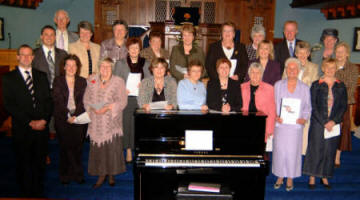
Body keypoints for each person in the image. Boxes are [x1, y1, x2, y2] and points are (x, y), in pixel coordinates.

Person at [2, 44, 53, 197]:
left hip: (41, 128)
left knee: (39, 163)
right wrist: (30, 122)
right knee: (23, 163)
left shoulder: (41, 75)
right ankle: (25, 193)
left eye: (29, 55)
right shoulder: (8, 78)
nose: (26, 57)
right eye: (22, 55)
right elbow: (9, 104)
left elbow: (48, 101)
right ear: (18, 57)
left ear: (33, 57)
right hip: (23, 128)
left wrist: (44, 119)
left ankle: (38, 191)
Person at [303, 58, 347, 189]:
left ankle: (325, 177)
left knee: (329, 150)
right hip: (318, 122)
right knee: (315, 149)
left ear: (335, 69)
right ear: (323, 68)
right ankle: (312, 176)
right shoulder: (316, 84)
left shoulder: (341, 85)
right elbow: (313, 106)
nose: (330, 70)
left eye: (332, 67)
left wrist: (334, 121)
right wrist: (324, 122)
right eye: (327, 67)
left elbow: (343, 106)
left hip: (334, 124)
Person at [83, 58, 128, 189]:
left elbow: (123, 101)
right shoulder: (92, 80)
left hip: (111, 121)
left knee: (112, 149)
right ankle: (101, 175)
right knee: (99, 150)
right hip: (96, 121)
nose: (105, 69)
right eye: (102, 66)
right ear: (99, 67)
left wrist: (108, 107)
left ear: (112, 68)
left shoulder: (118, 81)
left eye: (108, 66)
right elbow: (86, 99)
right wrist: (92, 108)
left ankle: (111, 175)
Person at [272, 58, 311, 191]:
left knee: (292, 152)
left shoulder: (305, 88)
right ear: (285, 70)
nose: (292, 70)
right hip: (281, 126)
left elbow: (308, 108)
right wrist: (275, 117)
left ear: (299, 70)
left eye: (295, 68)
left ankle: (290, 177)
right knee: (280, 151)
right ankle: (280, 176)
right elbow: (273, 105)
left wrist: (304, 119)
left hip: (295, 127)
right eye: (289, 68)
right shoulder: (278, 85)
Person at [113, 37, 151, 162]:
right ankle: (128, 150)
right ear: (127, 49)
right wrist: (122, 89)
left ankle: (137, 149)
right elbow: (115, 82)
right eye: (131, 48)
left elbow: (151, 81)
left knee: (137, 125)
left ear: (140, 49)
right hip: (126, 98)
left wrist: (144, 84)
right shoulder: (120, 63)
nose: (134, 50)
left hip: (141, 99)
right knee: (126, 124)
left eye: (136, 47)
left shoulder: (146, 63)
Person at [53, 54, 87, 185]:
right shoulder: (58, 81)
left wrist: (75, 116)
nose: (71, 68)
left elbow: (84, 101)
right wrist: (68, 115)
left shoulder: (82, 81)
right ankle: (65, 174)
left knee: (78, 147)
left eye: (74, 65)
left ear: (77, 67)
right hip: (62, 118)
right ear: (64, 67)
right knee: (65, 147)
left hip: (79, 118)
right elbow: (57, 100)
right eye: (69, 65)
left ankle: (77, 174)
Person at [283, 41, 319, 155]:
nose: (302, 55)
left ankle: (301, 156)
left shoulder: (314, 67)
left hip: (304, 104)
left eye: (305, 53)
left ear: (308, 54)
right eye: (300, 53)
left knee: (303, 131)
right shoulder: (289, 65)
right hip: (290, 103)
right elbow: (283, 83)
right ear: (296, 54)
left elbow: (314, 87)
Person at [334, 42, 358, 168]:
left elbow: (351, 88)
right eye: (337, 51)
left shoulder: (353, 68)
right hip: (329, 104)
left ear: (347, 53)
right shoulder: (330, 65)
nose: (339, 54)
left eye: (342, 52)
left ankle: (337, 155)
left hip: (344, 104)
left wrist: (336, 98)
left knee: (342, 131)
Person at [241, 62, 275, 143]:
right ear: (249, 74)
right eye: (253, 72)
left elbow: (272, 111)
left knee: (259, 152)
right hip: (245, 124)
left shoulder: (269, 88)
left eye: (258, 73)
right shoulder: (241, 87)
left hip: (262, 124)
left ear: (262, 74)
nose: (255, 75)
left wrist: (269, 130)